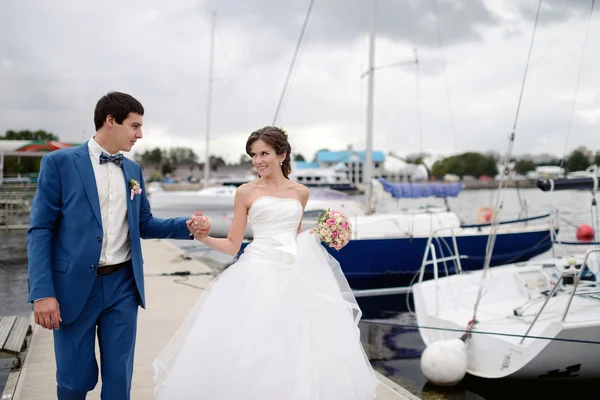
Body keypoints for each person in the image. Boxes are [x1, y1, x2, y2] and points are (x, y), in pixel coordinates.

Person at [153, 126, 379, 399]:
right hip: (256, 275)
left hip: (296, 275)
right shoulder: (246, 192)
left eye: (264, 153)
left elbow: (293, 234)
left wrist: (322, 232)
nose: (257, 160)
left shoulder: (301, 192)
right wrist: (203, 238)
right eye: (253, 155)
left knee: (297, 350)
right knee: (253, 349)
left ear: (282, 154)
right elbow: (232, 245)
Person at [27, 91, 210, 400]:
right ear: (110, 121)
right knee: (73, 380)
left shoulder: (133, 170)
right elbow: (41, 229)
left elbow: (144, 224)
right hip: (73, 287)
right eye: (135, 126)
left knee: (118, 380)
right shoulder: (58, 163)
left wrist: (186, 226)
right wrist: (42, 293)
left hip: (123, 285)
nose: (140, 134)